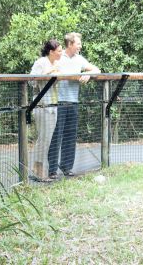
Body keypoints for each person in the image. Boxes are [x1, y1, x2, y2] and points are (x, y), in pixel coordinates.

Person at [48, 32, 100, 179]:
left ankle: (66, 167)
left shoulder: (79, 59)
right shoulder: (59, 56)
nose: (80, 46)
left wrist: (88, 74)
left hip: (73, 101)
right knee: (56, 136)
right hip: (58, 102)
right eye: (78, 43)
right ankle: (52, 170)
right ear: (70, 44)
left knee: (70, 136)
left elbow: (97, 69)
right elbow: (50, 70)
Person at [29, 39, 63, 182]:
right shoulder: (41, 62)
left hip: (53, 104)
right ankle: (38, 170)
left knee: (47, 138)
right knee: (43, 138)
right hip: (41, 104)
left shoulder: (57, 63)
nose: (61, 53)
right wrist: (49, 71)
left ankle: (39, 168)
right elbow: (32, 81)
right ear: (51, 51)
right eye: (59, 51)